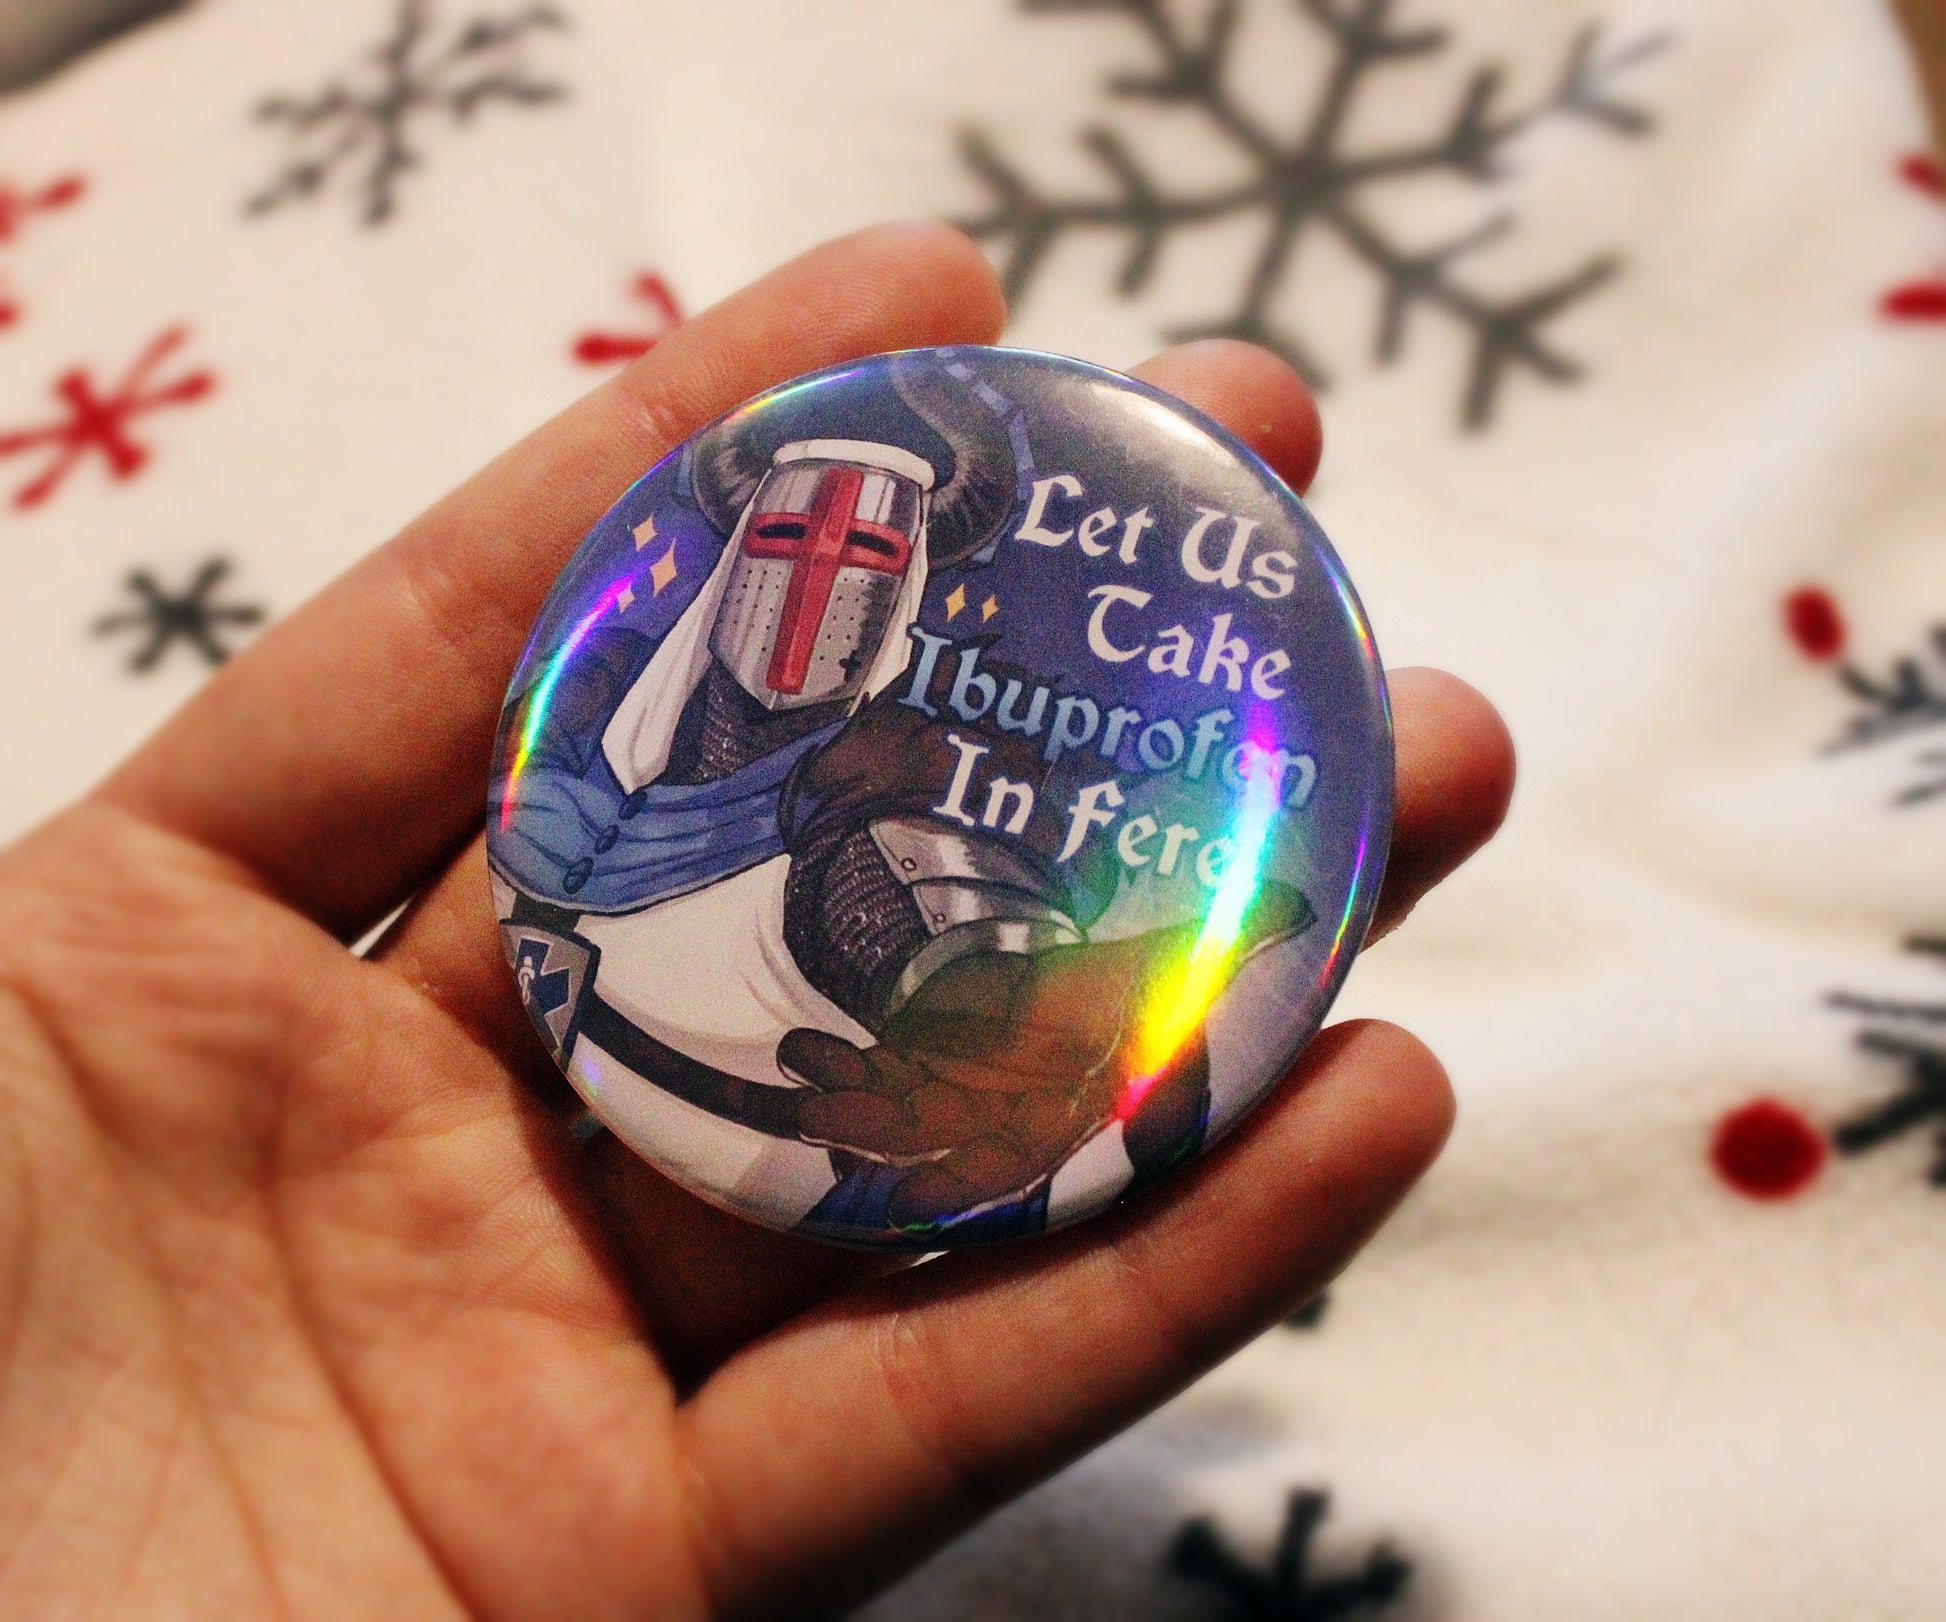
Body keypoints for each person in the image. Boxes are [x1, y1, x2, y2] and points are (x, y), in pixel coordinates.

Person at [0, 222, 1513, 1617]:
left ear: (910, 587)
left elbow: (955, 951)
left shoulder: (885, 812)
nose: (818, 589)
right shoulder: (572, 786)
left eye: (870, 556)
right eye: (788, 544)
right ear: (729, 562)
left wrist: (1030, 1024)